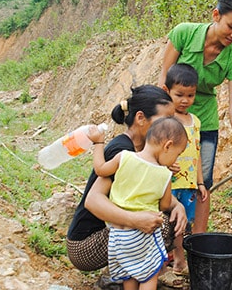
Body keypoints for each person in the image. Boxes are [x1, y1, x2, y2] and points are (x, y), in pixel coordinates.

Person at [158, 0, 232, 233]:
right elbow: (163, 81)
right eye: (231, 26)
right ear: (216, 15)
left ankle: (198, 245)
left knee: (202, 183)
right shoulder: (184, 33)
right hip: (171, 119)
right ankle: (163, 239)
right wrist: (162, 120)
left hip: (205, 123)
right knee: (164, 177)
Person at [66, 85, 188, 275]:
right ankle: (137, 276)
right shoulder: (122, 152)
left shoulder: (142, 154)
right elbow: (93, 200)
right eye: (165, 120)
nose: (169, 127)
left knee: (177, 221)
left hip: (111, 233)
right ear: (140, 118)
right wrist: (135, 220)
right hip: (84, 246)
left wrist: (177, 205)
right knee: (161, 226)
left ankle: (132, 274)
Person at [88, 116, 188, 290]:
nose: (175, 160)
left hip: (117, 236)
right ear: (168, 146)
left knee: (130, 274)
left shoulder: (123, 157)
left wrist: (98, 143)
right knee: (150, 274)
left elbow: (100, 169)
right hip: (142, 235)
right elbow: (164, 206)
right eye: (177, 154)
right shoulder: (164, 175)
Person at [163, 63, 208, 276]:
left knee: (184, 224)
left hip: (189, 184)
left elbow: (197, 155)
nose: (184, 100)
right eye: (179, 95)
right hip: (169, 183)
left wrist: (200, 182)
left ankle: (179, 259)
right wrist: (164, 164)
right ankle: (174, 259)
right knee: (168, 223)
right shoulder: (165, 121)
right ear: (168, 91)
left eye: (190, 95)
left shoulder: (195, 122)